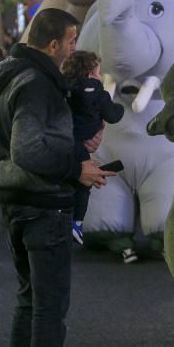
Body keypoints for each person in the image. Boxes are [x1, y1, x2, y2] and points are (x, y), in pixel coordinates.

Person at [0, 8, 115, 347]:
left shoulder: (15, 76)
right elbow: (29, 149)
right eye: (72, 39)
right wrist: (75, 167)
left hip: (17, 200)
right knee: (49, 306)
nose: (74, 47)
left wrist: (79, 147)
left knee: (30, 301)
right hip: (43, 204)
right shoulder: (38, 82)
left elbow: (37, 141)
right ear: (54, 44)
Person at [61, 50, 125, 245]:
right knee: (84, 182)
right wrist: (119, 107)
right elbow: (113, 116)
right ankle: (76, 224)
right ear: (90, 74)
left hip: (66, 141)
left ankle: (65, 217)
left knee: (69, 179)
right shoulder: (99, 92)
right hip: (81, 145)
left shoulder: (63, 89)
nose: (99, 76)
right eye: (98, 72)